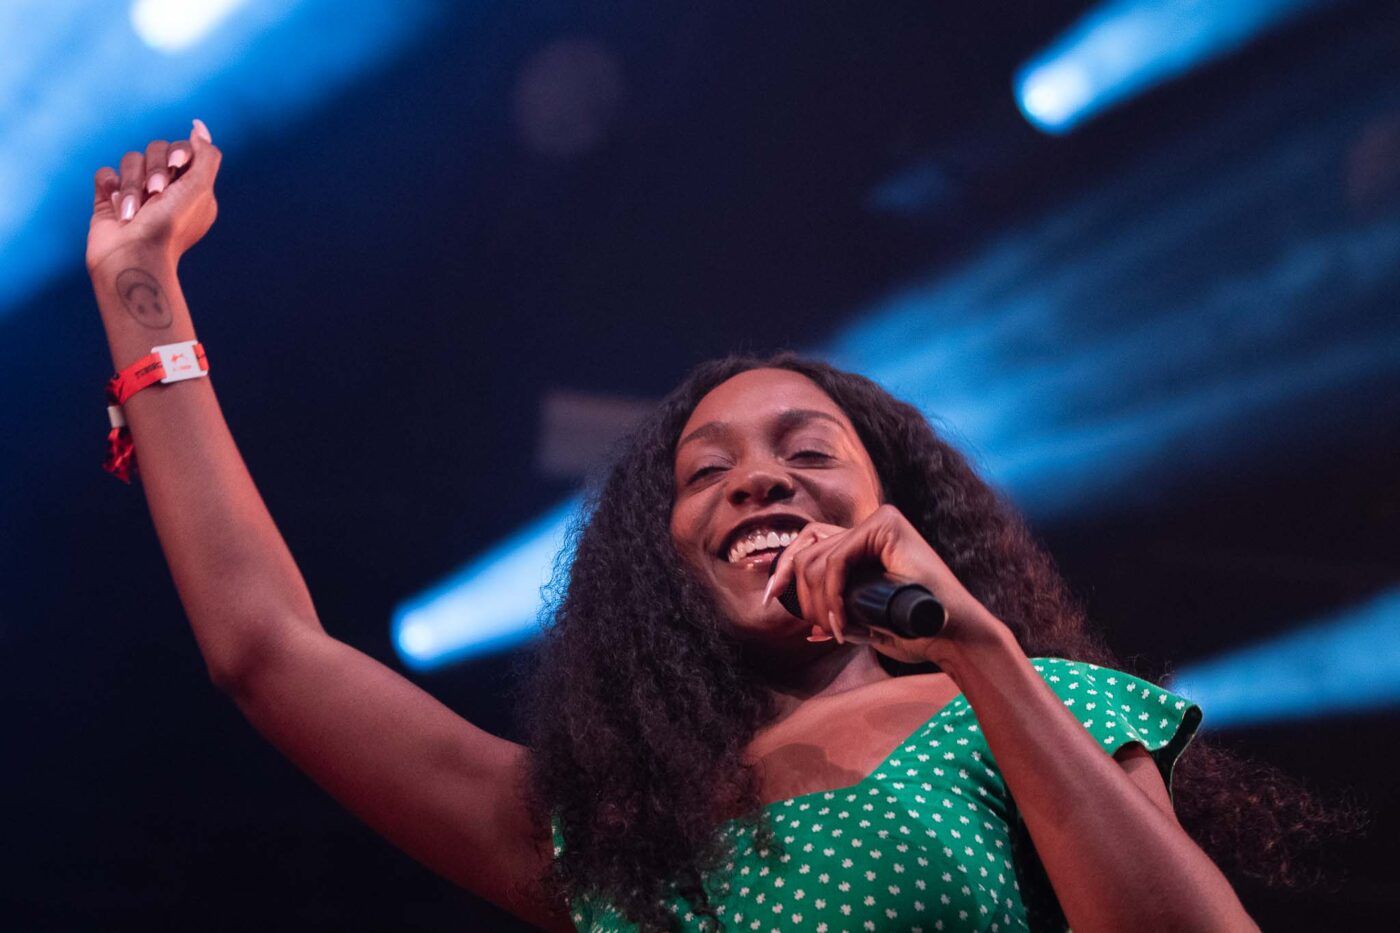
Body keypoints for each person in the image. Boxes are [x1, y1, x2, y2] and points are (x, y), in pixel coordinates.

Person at [87, 122, 1281, 933]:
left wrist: (979, 655)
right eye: (705, 473)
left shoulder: (1038, 704)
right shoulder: (610, 833)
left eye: (808, 453)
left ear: (897, 514)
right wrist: (142, 288)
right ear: (660, 561)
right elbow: (265, 649)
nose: (757, 481)